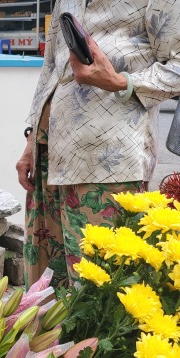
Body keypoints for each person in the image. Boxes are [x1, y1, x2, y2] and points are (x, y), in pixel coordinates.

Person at [17, 0, 180, 288]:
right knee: (46, 292)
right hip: (51, 157)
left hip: (108, 165)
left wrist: (120, 81)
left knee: (97, 293)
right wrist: (32, 141)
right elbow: (51, 69)